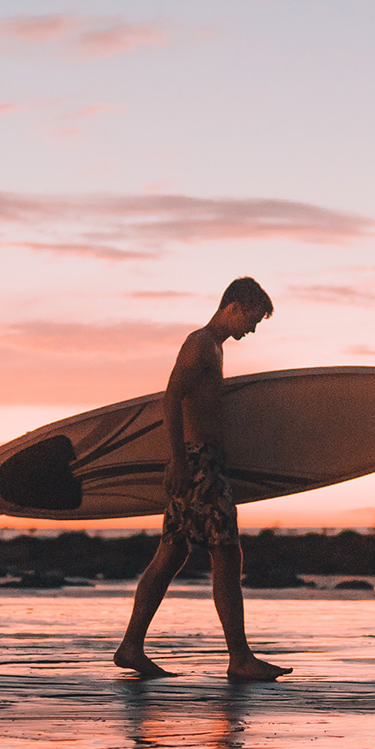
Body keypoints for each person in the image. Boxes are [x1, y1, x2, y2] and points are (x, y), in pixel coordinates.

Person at [114, 278, 293, 681]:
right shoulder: (200, 344)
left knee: (172, 554)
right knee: (226, 554)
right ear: (234, 306)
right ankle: (240, 658)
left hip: (201, 461)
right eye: (252, 319)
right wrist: (179, 461)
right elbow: (170, 398)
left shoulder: (213, 348)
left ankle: (131, 646)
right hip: (199, 465)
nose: (251, 329)